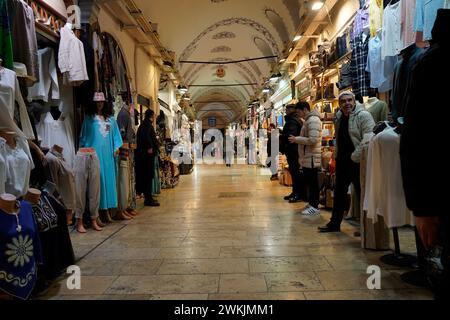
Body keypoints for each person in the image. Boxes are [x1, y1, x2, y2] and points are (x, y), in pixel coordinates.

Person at [400, 9, 450, 300]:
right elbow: (416, 139)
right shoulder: (428, 65)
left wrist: (421, 207)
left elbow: (414, 139)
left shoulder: (428, 65)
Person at [318, 91, 375, 232]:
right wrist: (335, 155)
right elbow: (338, 137)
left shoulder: (364, 116)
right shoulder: (338, 116)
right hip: (342, 161)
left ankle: (366, 228)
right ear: (339, 103)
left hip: (358, 161)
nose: (347, 103)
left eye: (349, 100)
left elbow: (368, 137)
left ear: (354, 101)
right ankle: (334, 223)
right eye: (343, 101)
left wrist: (354, 156)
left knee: (362, 194)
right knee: (339, 193)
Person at [288, 101, 322, 215]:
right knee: (310, 181)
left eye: (299, 112)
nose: (298, 115)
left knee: (313, 183)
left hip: (312, 156)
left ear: (304, 109)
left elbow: (313, 140)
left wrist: (296, 139)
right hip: (308, 156)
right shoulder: (308, 120)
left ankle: (314, 206)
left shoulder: (313, 120)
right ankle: (312, 203)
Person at [135, 109, 160, 207]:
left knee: (147, 176)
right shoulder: (147, 125)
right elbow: (146, 136)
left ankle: (148, 197)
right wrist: (150, 147)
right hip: (146, 156)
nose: (154, 118)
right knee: (148, 176)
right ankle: (148, 199)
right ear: (152, 116)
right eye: (154, 116)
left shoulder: (144, 124)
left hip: (144, 155)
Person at [280, 104, 303, 202]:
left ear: (292, 110)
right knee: (294, 172)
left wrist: (281, 135)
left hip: (293, 150)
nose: (286, 111)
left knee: (295, 172)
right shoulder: (294, 119)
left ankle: (297, 194)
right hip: (293, 150)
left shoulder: (293, 120)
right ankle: (295, 192)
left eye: (287, 109)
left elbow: (291, 135)